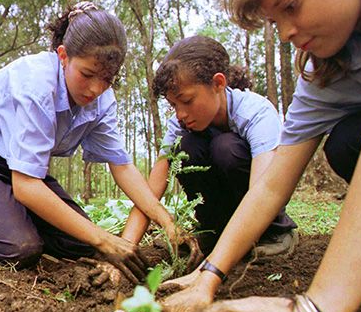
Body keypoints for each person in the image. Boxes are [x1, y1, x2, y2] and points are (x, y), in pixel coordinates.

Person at [161, 0, 361, 312]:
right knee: (347, 142)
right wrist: (208, 275)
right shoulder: (326, 69)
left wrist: (318, 306)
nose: (285, 33)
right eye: (275, 21)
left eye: (291, 5)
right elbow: (271, 185)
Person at [0, 2, 198, 284]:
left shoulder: (103, 102)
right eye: (86, 74)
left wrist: (165, 219)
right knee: (20, 249)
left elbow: (121, 166)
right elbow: (26, 188)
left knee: (81, 244)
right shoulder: (36, 84)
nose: (95, 89)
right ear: (63, 56)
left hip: (21, 169)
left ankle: (2, 213)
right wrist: (105, 239)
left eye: (107, 79)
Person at [122, 35, 297, 262]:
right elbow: (153, 188)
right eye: (174, 105)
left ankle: (275, 234)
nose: (180, 114)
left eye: (187, 101)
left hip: (259, 210)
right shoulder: (179, 124)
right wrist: (126, 247)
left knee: (226, 147)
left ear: (218, 83)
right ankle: (212, 233)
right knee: (186, 146)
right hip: (222, 219)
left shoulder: (256, 113)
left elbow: (264, 190)